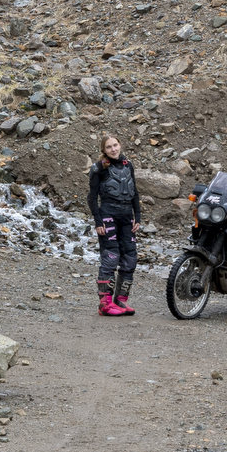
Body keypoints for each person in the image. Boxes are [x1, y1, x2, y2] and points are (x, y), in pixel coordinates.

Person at [87, 134, 141, 316]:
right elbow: (92, 197)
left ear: (120, 145)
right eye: (109, 147)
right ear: (104, 150)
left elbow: (134, 193)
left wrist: (138, 217)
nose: (113, 149)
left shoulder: (128, 165)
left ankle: (121, 301)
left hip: (127, 217)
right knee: (110, 257)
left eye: (115, 145)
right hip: (108, 215)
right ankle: (105, 304)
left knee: (130, 257)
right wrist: (97, 220)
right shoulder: (98, 168)